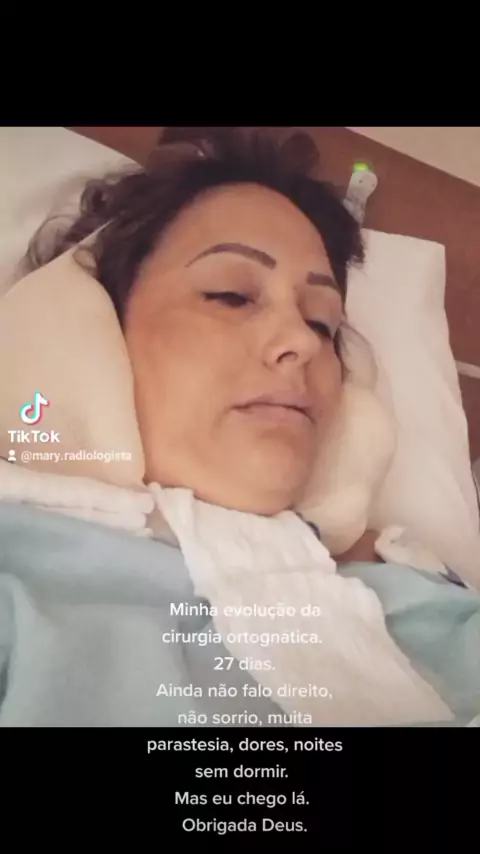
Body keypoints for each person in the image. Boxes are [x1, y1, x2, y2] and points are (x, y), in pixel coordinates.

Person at [0, 126, 478, 728]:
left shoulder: (421, 597)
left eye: (323, 323)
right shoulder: (20, 568)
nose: (303, 340)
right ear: (93, 324)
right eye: (231, 295)